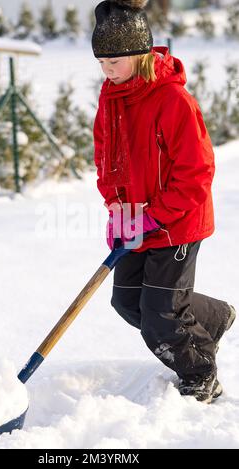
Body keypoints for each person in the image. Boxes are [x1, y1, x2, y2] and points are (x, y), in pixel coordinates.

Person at [91, 0, 236, 403]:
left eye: (114, 60)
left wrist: (155, 217)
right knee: (127, 301)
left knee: (161, 315)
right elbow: (107, 161)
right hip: (137, 219)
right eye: (101, 60)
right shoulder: (112, 99)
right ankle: (216, 316)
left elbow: (197, 172)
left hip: (178, 222)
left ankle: (200, 372)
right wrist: (117, 210)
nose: (107, 69)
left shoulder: (172, 101)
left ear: (139, 54)